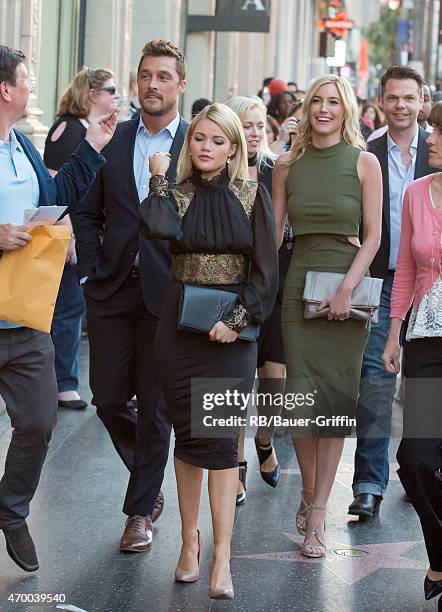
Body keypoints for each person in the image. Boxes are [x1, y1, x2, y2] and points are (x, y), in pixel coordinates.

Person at [139, 103, 278, 599]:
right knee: (189, 439)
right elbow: (155, 228)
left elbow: (265, 273)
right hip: (178, 330)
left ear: (234, 148)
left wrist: (235, 322)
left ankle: (222, 559)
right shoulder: (173, 194)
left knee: (219, 443)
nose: (206, 147)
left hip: (231, 335)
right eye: (199, 137)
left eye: (218, 140)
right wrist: (157, 176)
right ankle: (187, 543)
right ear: (189, 142)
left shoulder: (250, 195)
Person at [0, 45, 117, 572]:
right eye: (26, 80)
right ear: (6, 89)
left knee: (39, 421)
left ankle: (10, 508)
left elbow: (56, 195)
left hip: (23, 313)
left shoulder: (22, 147)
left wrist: (93, 146)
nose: (31, 89)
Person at [73, 39, 188, 553]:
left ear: (180, 84)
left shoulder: (198, 144)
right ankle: (148, 467)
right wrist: (94, 262)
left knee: (157, 404)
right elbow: (86, 210)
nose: (153, 85)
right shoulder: (111, 140)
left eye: (164, 76)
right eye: (146, 76)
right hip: (113, 287)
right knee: (110, 397)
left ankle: (139, 510)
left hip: (171, 295)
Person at [272, 74, 382, 557]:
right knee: (300, 400)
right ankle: (310, 491)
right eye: (315, 101)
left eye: (332, 102)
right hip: (299, 287)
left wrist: (345, 288)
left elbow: (374, 235)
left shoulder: (364, 163)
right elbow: (273, 237)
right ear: (306, 108)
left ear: (346, 110)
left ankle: (318, 512)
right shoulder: (285, 166)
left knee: (335, 402)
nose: (322, 109)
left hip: (347, 286)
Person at [349, 65, 437, 520]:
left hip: (432, 287)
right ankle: (368, 482)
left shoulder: (438, 150)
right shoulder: (366, 150)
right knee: (376, 382)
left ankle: (424, 471)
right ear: (381, 101)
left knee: (427, 386)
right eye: (393, 97)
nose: (401, 105)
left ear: (422, 101)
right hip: (382, 280)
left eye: (409, 97)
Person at [382, 101, 442, 603]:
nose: (429, 137)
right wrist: (392, 333)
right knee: (416, 459)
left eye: (438, 130)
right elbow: (404, 268)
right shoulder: (416, 193)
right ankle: (441, 555)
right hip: (426, 342)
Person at [226, 95, 290, 504]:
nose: (252, 133)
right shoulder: (217, 172)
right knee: (234, 381)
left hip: (276, 285)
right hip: (233, 289)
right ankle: (236, 464)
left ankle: (264, 439)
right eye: (244, 125)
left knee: (275, 381)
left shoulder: (275, 170)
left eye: (258, 126)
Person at [44, 66, 120, 411]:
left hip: (78, 232)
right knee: (67, 307)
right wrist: (70, 234)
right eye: (111, 89)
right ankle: (63, 382)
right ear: (92, 94)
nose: (116, 96)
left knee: (70, 307)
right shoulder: (68, 128)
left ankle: (63, 381)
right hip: (63, 234)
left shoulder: (90, 130)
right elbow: (59, 186)